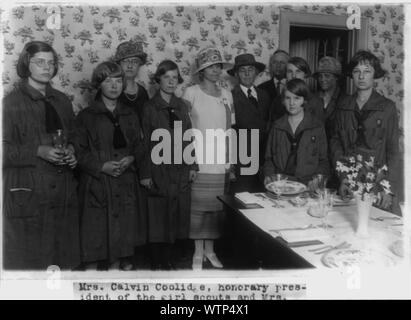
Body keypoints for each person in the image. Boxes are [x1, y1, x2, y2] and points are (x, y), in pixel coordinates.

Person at [2, 41, 80, 269]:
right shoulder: (10, 103)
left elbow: (75, 137)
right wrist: (37, 150)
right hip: (29, 195)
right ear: (27, 64)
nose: (47, 67)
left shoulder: (63, 101)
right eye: (40, 62)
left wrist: (73, 151)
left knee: (62, 262)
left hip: (63, 193)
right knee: (32, 263)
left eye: (51, 63)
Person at [76, 61, 146, 270]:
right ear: (99, 85)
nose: (114, 86)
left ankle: (116, 270)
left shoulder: (130, 114)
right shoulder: (86, 116)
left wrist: (132, 158)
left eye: (118, 80)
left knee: (120, 235)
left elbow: (140, 146)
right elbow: (78, 151)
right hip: (96, 185)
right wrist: (100, 166)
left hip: (125, 183)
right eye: (108, 81)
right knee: (95, 235)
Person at [140, 60, 198, 270]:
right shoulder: (149, 108)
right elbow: (144, 142)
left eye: (175, 77)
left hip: (181, 168)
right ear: (158, 80)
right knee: (159, 217)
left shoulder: (182, 105)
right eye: (167, 77)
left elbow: (189, 136)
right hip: (159, 169)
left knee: (178, 216)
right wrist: (145, 173)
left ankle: (173, 261)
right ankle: (158, 262)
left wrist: (193, 165)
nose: (172, 82)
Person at [182, 46, 235, 270]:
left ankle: (210, 251)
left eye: (218, 66)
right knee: (198, 209)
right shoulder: (191, 93)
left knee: (215, 208)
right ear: (201, 71)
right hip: (199, 159)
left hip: (220, 160)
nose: (215, 70)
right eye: (210, 66)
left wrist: (230, 162)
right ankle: (197, 253)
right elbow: (183, 128)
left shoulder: (227, 94)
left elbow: (231, 128)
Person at [330, 50, 400, 213]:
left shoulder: (387, 107)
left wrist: (388, 189)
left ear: (375, 75)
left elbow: (393, 152)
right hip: (348, 184)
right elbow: (335, 144)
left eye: (367, 71)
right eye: (357, 71)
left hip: (376, 186)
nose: (361, 77)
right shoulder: (342, 106)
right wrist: (343, 178)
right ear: (351, 75)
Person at [264, 79, 329, 187]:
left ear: (304, 100)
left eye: (297, 98)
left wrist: (317, 178)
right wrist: (269, 176)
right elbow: (269, 159)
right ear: (283, 101)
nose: (292, 103)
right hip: (281, 185)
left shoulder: (316, 126)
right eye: (288, 98)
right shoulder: (277, 127)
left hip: (307, 185)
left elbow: (324, 161)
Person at [227, 53, 270, 193]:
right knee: (242, 201)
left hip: (264, 161)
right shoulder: (230, 97)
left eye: (250, 69)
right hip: (242, 161)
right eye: (242, 70)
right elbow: (229, 131)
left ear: (256, 72)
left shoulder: (265, 95)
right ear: (236, 74)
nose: (246, 74)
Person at [313, 56, 348, 189]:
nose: (322, 79)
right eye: (320, 76)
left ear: (336, 78)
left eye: (327, 76)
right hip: (317, 159)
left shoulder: (346, 100)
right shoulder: (312, 99)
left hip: (338, 159)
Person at [269, 56, 323, 123]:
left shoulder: (316, 102)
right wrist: (255, 133)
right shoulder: (277, 101)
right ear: (286, 75)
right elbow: (270, 128)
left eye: (298, 71)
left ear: (305, 75)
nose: (294, 75)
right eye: (290, 71)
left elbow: (319, 130)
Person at [114, 40, 149, 122]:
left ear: (139, 65)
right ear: (119, 64)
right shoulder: (109, 90)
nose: (130, 65)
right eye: (125, 61)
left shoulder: (142, 92)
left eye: (135, 61)